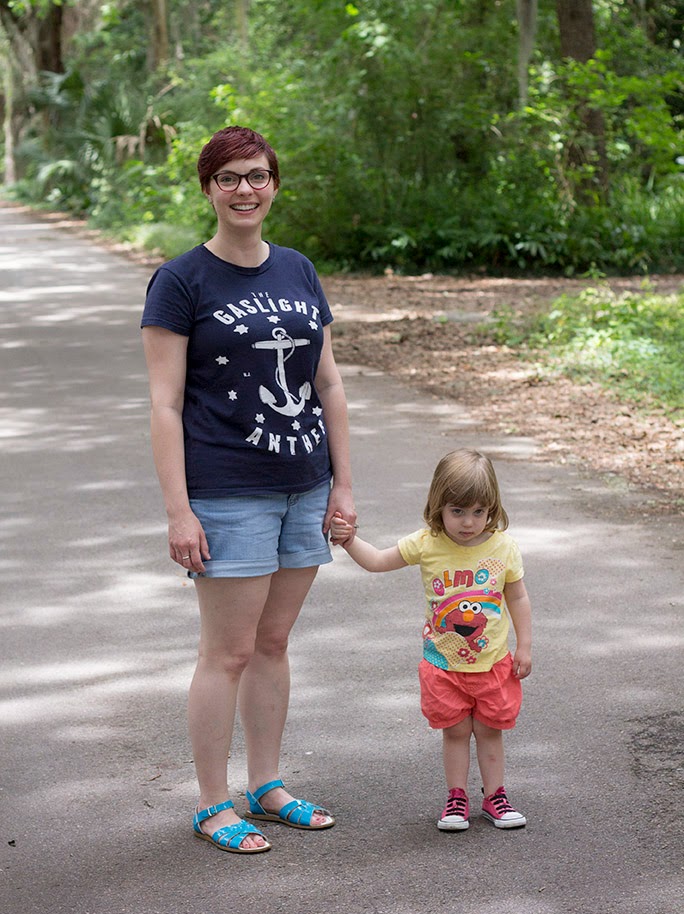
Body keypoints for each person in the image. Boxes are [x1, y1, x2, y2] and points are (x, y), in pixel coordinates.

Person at [141, 125, 356, 854]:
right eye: (229, 177)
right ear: (208, 189)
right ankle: (212, 802)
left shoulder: (298, 269)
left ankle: (266, 785)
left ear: (274, 185)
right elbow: (165, 404)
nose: (245, 189)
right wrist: (179, 510)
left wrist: (343, 485)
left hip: (304, 483)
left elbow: (328, 384)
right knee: (227, 653)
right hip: (228, 491)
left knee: (273, 642)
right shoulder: (181, 281)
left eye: (257, 175)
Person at [331, 449, 531, 832]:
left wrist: (524, 646)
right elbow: (377, 561)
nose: (468, 522)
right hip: (443, 666)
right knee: (455, 731)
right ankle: (456, 798)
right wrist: (350, 540)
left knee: (490, 731)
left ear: (492, 508)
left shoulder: (503, 547)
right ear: (438, 505)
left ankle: (495, 797)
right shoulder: (427, 543)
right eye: (457, 511)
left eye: (479, 511)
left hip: (492, 664)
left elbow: (517, 597)